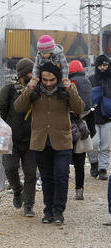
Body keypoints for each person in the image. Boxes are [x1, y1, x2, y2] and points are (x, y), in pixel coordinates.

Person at [14, 62, 85, 224]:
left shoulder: (65, 91)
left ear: (57, 78)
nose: (48, 83)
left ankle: (59, 210)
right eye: (44, 80)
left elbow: (79, 108)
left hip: (62, 141)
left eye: (51, 80)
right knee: (47, 178)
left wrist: (70, 89)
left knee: (61, 175)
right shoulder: (35, 92)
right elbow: (19, 107)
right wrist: (29, 88)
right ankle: (49, 210)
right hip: (40, 141)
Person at [0, 58, 37, 217]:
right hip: (11, 140)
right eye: (29, 73)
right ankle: (17, 190)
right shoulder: (8, 90)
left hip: (31, 140)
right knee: (10, 168)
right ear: (21, 74)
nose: (31, 75)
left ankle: (28, 205)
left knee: (30, 173)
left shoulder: (37, 90)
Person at [68, 60, 96, 200]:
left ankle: (62, 188)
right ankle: (79, 190)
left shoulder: (71, 82)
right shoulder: (87, 81)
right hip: (84, 122)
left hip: (71, 123)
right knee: (80, 161)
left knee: (65, 157)